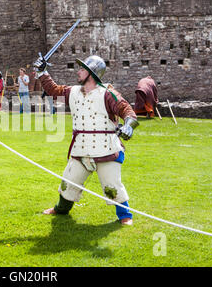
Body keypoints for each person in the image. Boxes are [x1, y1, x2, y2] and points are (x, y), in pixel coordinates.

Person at [34, 55, 139, 225]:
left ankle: (125, 216)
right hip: (81, 147)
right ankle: (60, 209)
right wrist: (42, 71)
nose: (78, 72)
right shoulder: (72, 91)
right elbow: (53, 90)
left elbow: (127, 110)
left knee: (112, 185)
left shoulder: (108, 93)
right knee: (69, 182)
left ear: (92, 73)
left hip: (106, 148)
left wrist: (128, 126)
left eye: (82, 69)